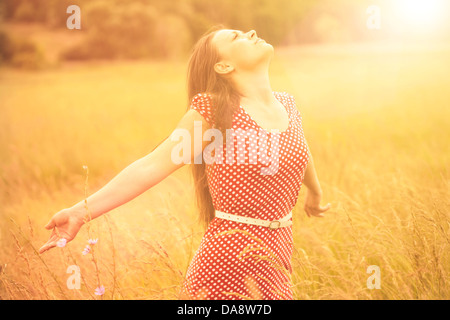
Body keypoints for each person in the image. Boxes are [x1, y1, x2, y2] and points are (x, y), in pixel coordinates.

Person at [39, 27, 331, 300]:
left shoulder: (287, 105)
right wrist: (80, 212)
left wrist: (315, 192)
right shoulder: (214, 110)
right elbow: (152, 165)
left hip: (277, 256)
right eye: (237, 37)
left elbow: (299, 151)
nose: (251, 33)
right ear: (224, 67)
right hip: (226, 266)